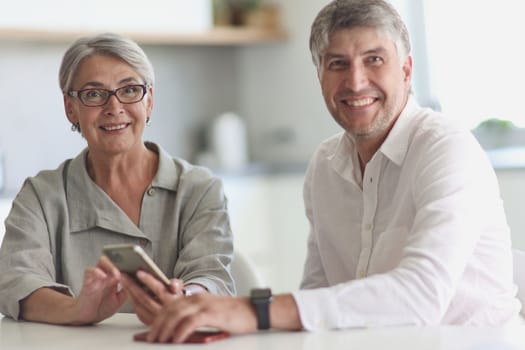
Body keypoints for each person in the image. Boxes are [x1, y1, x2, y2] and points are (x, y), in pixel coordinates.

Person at [131, 0, 521, 343]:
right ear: (320, 75)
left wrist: (254, 311)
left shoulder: (447, 147)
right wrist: (206, 315)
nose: (355, 81)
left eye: (374, 59)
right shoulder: (325, 165)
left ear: (405, 70)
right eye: (338, 64)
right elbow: (319, 290)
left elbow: (421, 294)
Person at [0, 33, 235, 325]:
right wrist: (79, 310)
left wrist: (182, 301)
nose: (114, 108)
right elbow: (16, 282)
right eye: (94, 94)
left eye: (129, 90)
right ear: (70, 108)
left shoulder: (200, 189)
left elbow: (211, 277)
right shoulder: (40, 195)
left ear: (149, 101)